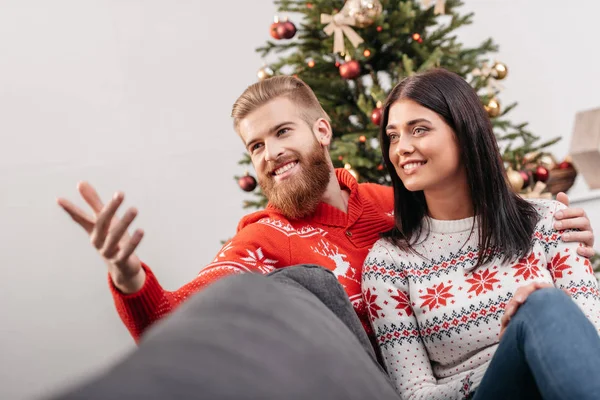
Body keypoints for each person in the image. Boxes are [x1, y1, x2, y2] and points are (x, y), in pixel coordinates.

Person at [57, 76, 595, 348]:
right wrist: (128, 277)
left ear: (321, 130)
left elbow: (493, 226)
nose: (270, 154)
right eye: (255, 146)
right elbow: (171, 321)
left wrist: (564, 230)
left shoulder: (393, 205)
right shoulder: (260, 242)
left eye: (281, 132)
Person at [362, 68, 600, 400]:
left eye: (419, 129)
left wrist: (533, 330)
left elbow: (591, 337)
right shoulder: (388, 263)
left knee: (543, 306)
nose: (402, 147)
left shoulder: (549, 221)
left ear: (464, 132)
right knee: (542, 304)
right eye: (393, 136)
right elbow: (415, 394)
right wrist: (519, 345)